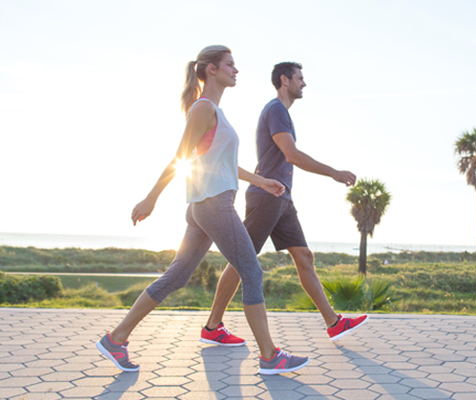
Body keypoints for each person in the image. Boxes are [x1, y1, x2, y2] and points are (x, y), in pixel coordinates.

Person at [95, 46, 309, 375]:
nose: (236, 70)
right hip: (213, 205)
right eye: (230, 65)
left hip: (203, 206)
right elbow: (180, 157)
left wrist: (261, 181)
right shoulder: (204, 108)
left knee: (177, 276)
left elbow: (221, 163)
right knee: (252, 273)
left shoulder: (215, 112)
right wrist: (151, 198)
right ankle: (269, 357)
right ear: (211, 69)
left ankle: (116, 338)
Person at [199, 62, 368, 346]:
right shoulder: (276, 109)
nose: (304, 84)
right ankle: (212, 327)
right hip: (267, 196)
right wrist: (334, 173)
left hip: (282, 198)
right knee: (242, 260)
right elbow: (291, 154)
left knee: (304, 256)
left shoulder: (282, 113)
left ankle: (333, 323)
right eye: (300, 78)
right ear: (284, 80)